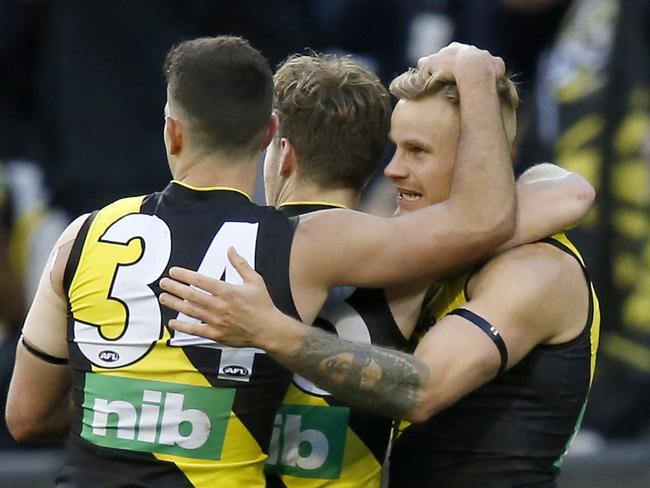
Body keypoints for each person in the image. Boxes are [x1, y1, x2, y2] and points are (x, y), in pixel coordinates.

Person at [6, 37, 521, 487]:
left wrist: (136, 412)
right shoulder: (306, 244)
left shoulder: (83, 234)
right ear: (267, 132)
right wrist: (479, 82)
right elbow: (486, 220)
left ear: (172, 133)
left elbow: (26, 417)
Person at [159, 62, 599, 488]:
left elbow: (422, 390)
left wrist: (272, 331)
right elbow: (564, 193)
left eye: (418, 151)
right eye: (394, 149)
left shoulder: (535, 270)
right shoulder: (418, 258)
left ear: (478, 163)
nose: (392, 169)